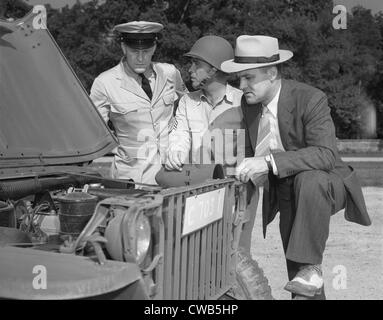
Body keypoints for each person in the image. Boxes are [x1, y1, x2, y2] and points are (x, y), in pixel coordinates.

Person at [221, 35, 371, 299]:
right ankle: (309, 272)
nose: (241, 85)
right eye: (239, 78)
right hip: (286, 187)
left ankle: (310, 268)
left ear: (271, 72)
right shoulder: (250, 103)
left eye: (249, 78)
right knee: (301, 277)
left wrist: (268, 162)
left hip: (324, 183)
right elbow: (251, 149)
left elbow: (326, 155)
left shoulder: (311, 98)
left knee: (309, 180)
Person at [90, 21, 187, 185]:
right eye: (134, 51)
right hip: (131, 178)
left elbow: (187, 109)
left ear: (154, 47)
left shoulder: (170, 73)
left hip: (172, 173)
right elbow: (91, 130)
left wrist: (178, 140)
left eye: (147, 51)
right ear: (123, 47)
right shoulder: (105, 83)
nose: (141, 58)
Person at [165, 35, 243, 173]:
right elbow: (179, 136)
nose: (190, 69)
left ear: (213, 69)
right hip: (197, 186)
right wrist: (175, 153)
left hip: (232, 188)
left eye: (197, 64)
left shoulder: (242, 103)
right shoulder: (187, 102)